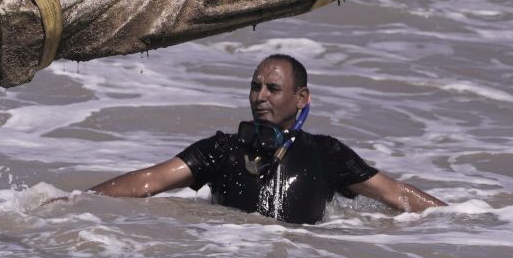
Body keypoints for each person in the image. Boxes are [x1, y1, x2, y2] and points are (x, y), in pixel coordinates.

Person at [83, 55, 446, 225]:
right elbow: (151, 180)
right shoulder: (222, 148)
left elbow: (396, 194)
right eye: (255, 87)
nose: (260, 96)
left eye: (273, 88)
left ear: (301, 98)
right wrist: (76, 200)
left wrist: (459, 218)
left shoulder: (325, 153)